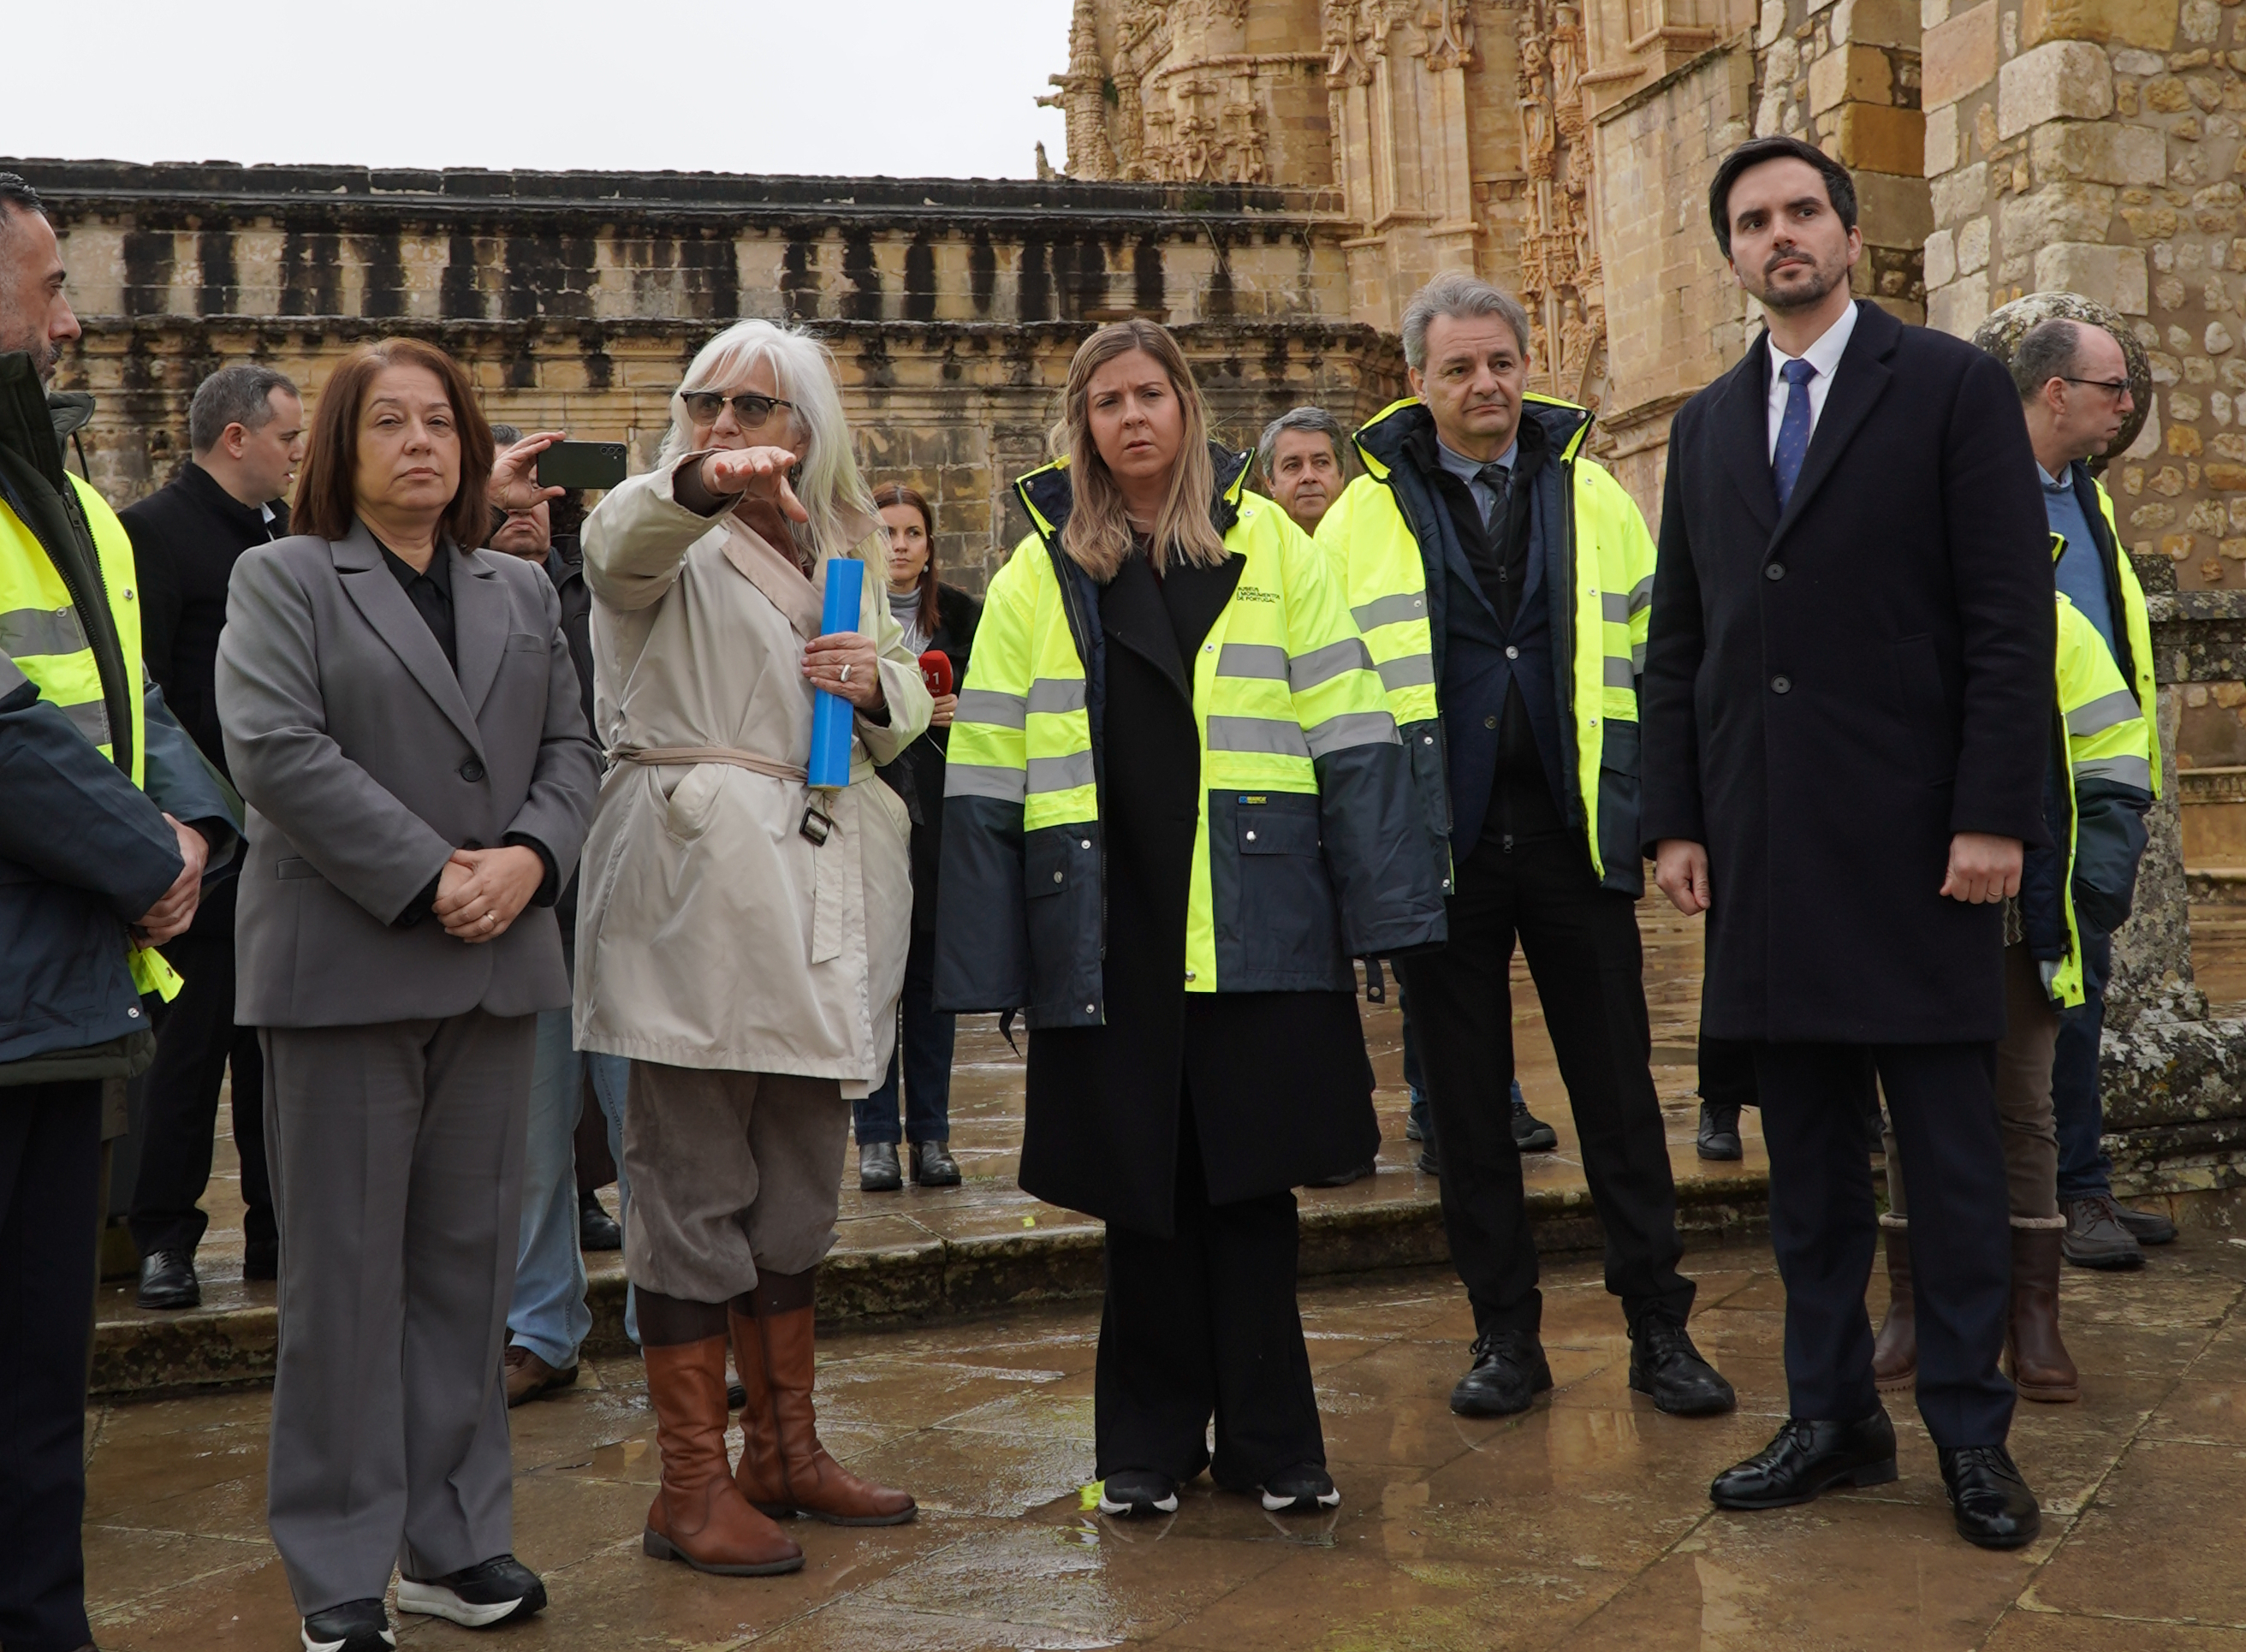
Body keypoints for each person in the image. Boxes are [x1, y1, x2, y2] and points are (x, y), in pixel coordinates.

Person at [937, 318, 1447, 1518]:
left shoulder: (1272, 544)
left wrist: (1386, 906)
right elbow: (988, 770)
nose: (1132, 418)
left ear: (1186, 408)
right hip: (1108, 921)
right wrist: (985, 952)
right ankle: (1146, 1447)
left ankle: (1277, 1443)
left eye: (1149, 394)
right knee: (1142, 1196)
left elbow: (1352, 725)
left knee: (1252, 1190)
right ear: (1084, 423)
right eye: (1107, 399)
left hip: (1255, 909)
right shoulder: (1038, 569)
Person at [1643, 135, 2056, 1549]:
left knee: (1945, 1169)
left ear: (1845, 229)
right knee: (1806, 1174)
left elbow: (2006, 622)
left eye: (1800, 211)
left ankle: (1964, 1428)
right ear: (1731, 251)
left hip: (1919, 854)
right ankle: (1827, 1419)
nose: (1779, 236)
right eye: (1752, 220)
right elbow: (1677, 649)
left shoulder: (1943, 389)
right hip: (1766, 861)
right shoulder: (1703, 426)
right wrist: (1674, 819)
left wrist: (1991, 812)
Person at [217, 337, 601, 1651]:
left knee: (464, 1273)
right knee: (343, 1282)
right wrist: (434, 871)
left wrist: (534, 857)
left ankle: (453, 1539)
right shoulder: (282, 580)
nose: (422, 444)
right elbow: (274, 749)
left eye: (442, 421)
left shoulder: (519, 591)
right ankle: (337, 1564)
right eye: (390, 422)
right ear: (342, 446)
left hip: (495, 968)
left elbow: (571, 747)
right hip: (348, 969)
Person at [1316, 270, 1734, 1423]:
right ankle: (1505, 1334)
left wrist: (1667, 816)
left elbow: (1659, 659)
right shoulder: (1359, 516)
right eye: (1459, 368)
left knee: (1619, 1097)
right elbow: (1335, 696)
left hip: (1572, 838)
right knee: (1463, 1110)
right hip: (1436, 849)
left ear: (1524, 363)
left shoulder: (1594, 495)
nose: (1486, 384)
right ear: (1420, 381)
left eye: (1501, 361)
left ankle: (1660, 1326)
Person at [574, 318, 930, 1579]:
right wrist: (691, 484)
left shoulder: (841, 543)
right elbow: (616, 545)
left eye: (751, 407)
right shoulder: (655, 521)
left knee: (797, 1187)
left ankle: (788, 1448)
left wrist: (876, 684)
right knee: (687, 1191)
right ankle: (690, 1483)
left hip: (819, 877)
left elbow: (906, 697)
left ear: (805, 426)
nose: (722, 423)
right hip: (694, 887)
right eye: (701, 401)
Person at [0, 170, 241, 1652]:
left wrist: (195, 826)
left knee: (39, 1391)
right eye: (46, 291)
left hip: (62, 1004)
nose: (74, 322)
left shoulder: (73, 498)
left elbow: (130, 694)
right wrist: (143, 858)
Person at [1875, 584, 2152, 1404]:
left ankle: (2032, 1315)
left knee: (2025, 1111)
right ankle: (1913, 1307)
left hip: (2021, 918)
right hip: (1910, 911)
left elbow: (2113, 762)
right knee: (1906, 1114)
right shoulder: (1888, 602)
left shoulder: (2052, 617)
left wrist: (2087, 894)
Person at [117, 362, 302, 1310]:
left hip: (280, 835)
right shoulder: (152, 532)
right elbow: (140, 689)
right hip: (198, 837)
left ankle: (276, 1230)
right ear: (237, 438)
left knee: (275, 1048)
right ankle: (164, 1236)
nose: (297, 454)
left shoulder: (284, 539)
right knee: (185, 1048)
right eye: (286, 439)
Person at [2006, 318, 2174, 1269]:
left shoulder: (2086, 498)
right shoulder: (1983, 497)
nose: (2126, 403)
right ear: (2052, 393)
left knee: (2084, 985)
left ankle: (2086, 1181)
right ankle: (2065, 1196)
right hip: (2033, 790)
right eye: (2110, 386)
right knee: (2048, 997)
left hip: (2096, 781)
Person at [480, 422, 619, 1405]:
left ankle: (672, 1318)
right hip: (525, 906)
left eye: (544, 492)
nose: (533, 509)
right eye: (510, 493)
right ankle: (542, 1325)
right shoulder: (452, 598)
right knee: (529, 1143)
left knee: (648, 1128)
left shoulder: (606, 587)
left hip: (622, 892)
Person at [855, 481, 977, 1192]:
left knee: (932, 988)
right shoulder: (844, 614)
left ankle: (932, 1135)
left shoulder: (967, 617)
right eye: (888, 533)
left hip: (942, 822)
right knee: (873, 987)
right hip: (870, 809)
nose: (899, 546)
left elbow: (1006, 710)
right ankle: (875, 1139)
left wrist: (966, 714)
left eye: (912, 534)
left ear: (930, 547)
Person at [1258, 405, 1349, 535]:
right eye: (1293, 466)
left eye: (1321, 463)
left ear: (1341, 475)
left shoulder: (1377, 535)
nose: (1309, 476)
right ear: (1271, 483)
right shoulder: (1250, 544)